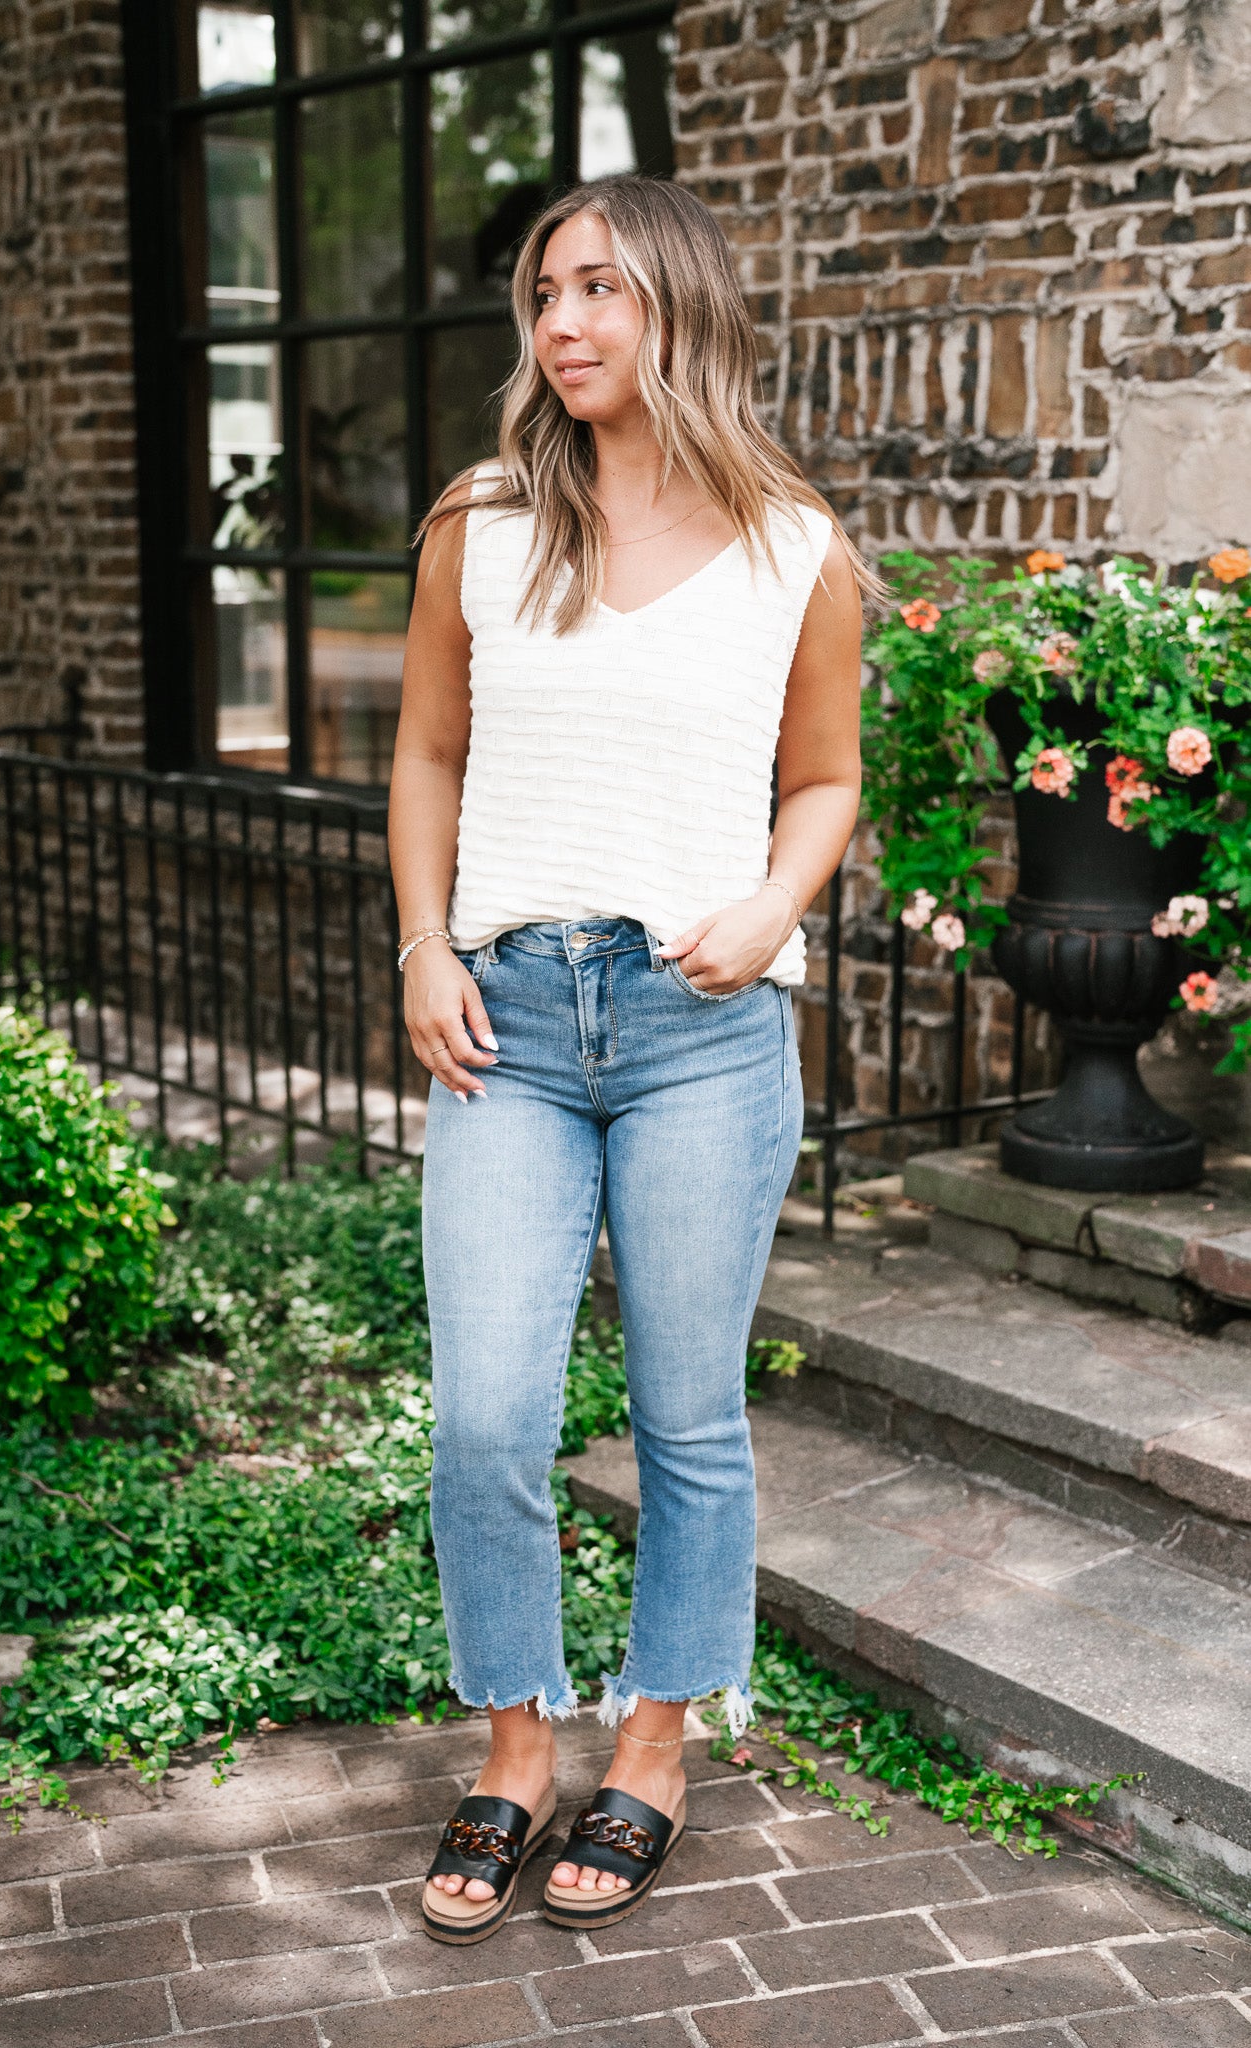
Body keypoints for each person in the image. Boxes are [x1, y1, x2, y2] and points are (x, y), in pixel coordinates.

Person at [388, 172, 870, 1945]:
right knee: (488, 1414)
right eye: (539, 294)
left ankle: (653, 1748)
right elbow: (428, 753)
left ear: (680, 304)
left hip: (701, 1029)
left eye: (598, 288)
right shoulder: (483, 522)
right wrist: (425, 945)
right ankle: (518, 1746)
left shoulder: (792, 547)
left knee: (685, 1420)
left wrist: (769, 907)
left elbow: (821, 779)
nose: (563, 324)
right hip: (505, 1021)